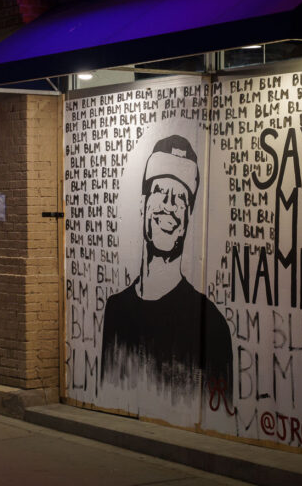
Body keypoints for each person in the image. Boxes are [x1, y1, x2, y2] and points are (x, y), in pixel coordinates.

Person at [100, 135, 232, 405]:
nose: (169, 206)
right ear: (142, 204)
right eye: (160, 191)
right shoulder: (116, 310)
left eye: (181, 198)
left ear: (187, 220)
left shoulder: (212, 324)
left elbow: (221, 406)